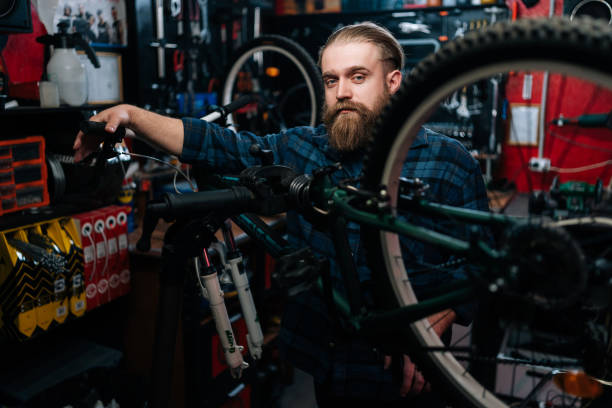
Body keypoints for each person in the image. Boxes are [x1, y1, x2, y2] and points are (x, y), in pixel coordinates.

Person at [73, 22, 488, 407]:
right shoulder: (303, 148)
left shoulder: (450, 163)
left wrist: (433, 323)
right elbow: (217, 145)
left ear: (393, 82)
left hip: (407, 372)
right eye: (331, 80)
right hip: (330, 363)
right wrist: (131, 115)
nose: (342, 91)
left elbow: (483, 263)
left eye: (358, 77)